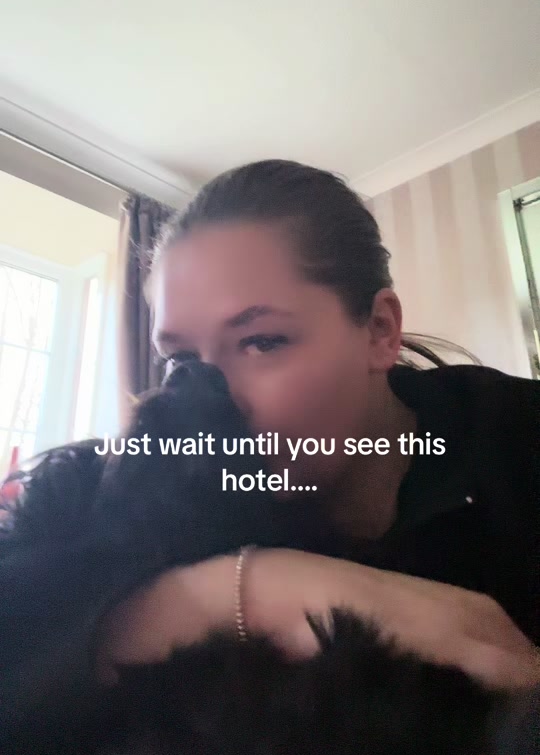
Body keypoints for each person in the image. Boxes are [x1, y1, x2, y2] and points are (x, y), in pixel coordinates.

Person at [98, 159, 540, 693]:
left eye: (262, 341)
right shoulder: (180, 483)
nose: (211, 399)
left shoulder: (518, 436)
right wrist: (254, 590)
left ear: (379, 331)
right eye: (182, 361)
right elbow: (50, 647)